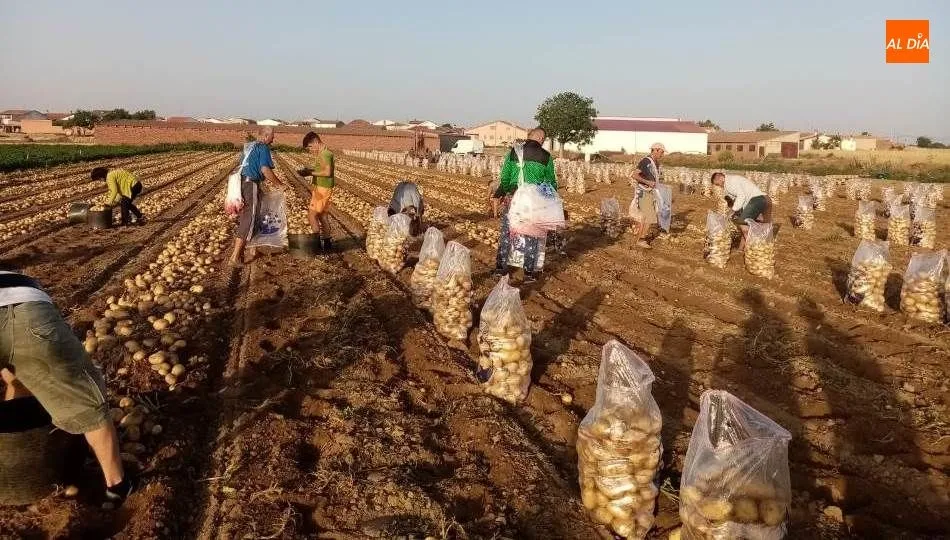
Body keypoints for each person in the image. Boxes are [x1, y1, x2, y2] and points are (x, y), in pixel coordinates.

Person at [0, 269, 133, 506]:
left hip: (19, 304)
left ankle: (18, 475)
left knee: (15, 379)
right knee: (87, 404)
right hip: (23, 306)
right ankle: (117, 486)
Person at [491, 127, 557, 284]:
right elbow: (551, 183)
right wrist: (548, 200)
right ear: (541, 139)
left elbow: (505, 177)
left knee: (507, 233)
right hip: (534, 203)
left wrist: (506, 192)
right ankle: (529, 273)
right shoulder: (546, 156)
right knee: (532, 236)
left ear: (530, 136)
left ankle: (500, 269)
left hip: (514, 199)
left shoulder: (514, 152)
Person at [229, 126, 279, 266]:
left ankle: (253, 250)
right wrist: (279, 184)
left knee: (257, 214)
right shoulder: (263, 147)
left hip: (243, 183)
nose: (273, 139)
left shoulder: (249, 146)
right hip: (250, 184)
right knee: (249, 218)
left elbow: (244, 165)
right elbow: (265, 169)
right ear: (265, 136)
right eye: (272, 136)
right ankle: (235, 257)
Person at [710, 172, 772, 250]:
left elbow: (741, 196)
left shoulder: (729, 182)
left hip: (757, 200)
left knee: (743, 225)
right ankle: (741, 248)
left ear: (721, 178)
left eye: (718, 184)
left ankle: (754, 249)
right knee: (747, 225)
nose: (720, 186)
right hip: (766, 199)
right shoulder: (733, 180)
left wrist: (732, 211)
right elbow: (736, 199)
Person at [302, 132, 335, 251]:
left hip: (322, 189)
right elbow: (323, 169)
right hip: (324, 188)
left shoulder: (325, 154)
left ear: (316, 142)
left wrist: (310, 173)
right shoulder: (324, 153)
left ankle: (316, 246)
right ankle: (327, 244)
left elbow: (327, 172)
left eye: (310, 147)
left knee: (311, 216)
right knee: (322, 216)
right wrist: (310, 170)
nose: (310, 150)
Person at [631, 142, 666, 249]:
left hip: (651, 192)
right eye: (661, 152)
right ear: (655, 150)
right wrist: (647, 182)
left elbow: (654, 177)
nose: (662, 154)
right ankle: (640, 240)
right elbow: (634, 175)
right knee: (649, 217)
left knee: (647, 217)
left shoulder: (656, 163)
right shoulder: (646, 161)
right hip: (644, 192)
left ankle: (639, 236)